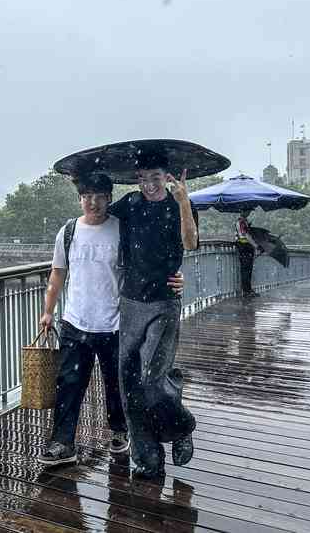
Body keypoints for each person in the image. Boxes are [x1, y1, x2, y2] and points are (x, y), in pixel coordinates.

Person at [37, 173, 184, 466]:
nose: (93, 202)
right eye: (87, 196)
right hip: (75, 322)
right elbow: (58, 273)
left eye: (99, 196)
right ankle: (63, 443)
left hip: (116, 323)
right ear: (80, 199)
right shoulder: (68, 232)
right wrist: (48, 311)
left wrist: (178, 279)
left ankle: (119, 431)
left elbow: (151, 260)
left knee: (117, 384)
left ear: (109, 198)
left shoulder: (122, 228)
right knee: (68, 384)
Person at [107, 163, 198, 479]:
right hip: (130, 301)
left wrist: (185, 201)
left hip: (164, 301)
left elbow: (190, 243)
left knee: (151, 378)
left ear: (167, 178)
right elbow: (98, 213)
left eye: (155, 178)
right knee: (129, 381)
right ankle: (147, 457)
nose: (149, 185)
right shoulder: (130, 203)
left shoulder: (179, 204)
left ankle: (181, 424)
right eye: (143, 179)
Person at [235, 210, 262, 298]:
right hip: (244, 246)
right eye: (247, 212)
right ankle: (246, 291)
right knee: (246, 269)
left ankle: (248, 289)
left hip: (246, 247)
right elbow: (245, 235)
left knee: (248, 269)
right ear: (242, 212)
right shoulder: (241, 222)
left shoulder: (244, 222)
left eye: (248, 212)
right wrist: (256, 245)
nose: (248, 213)